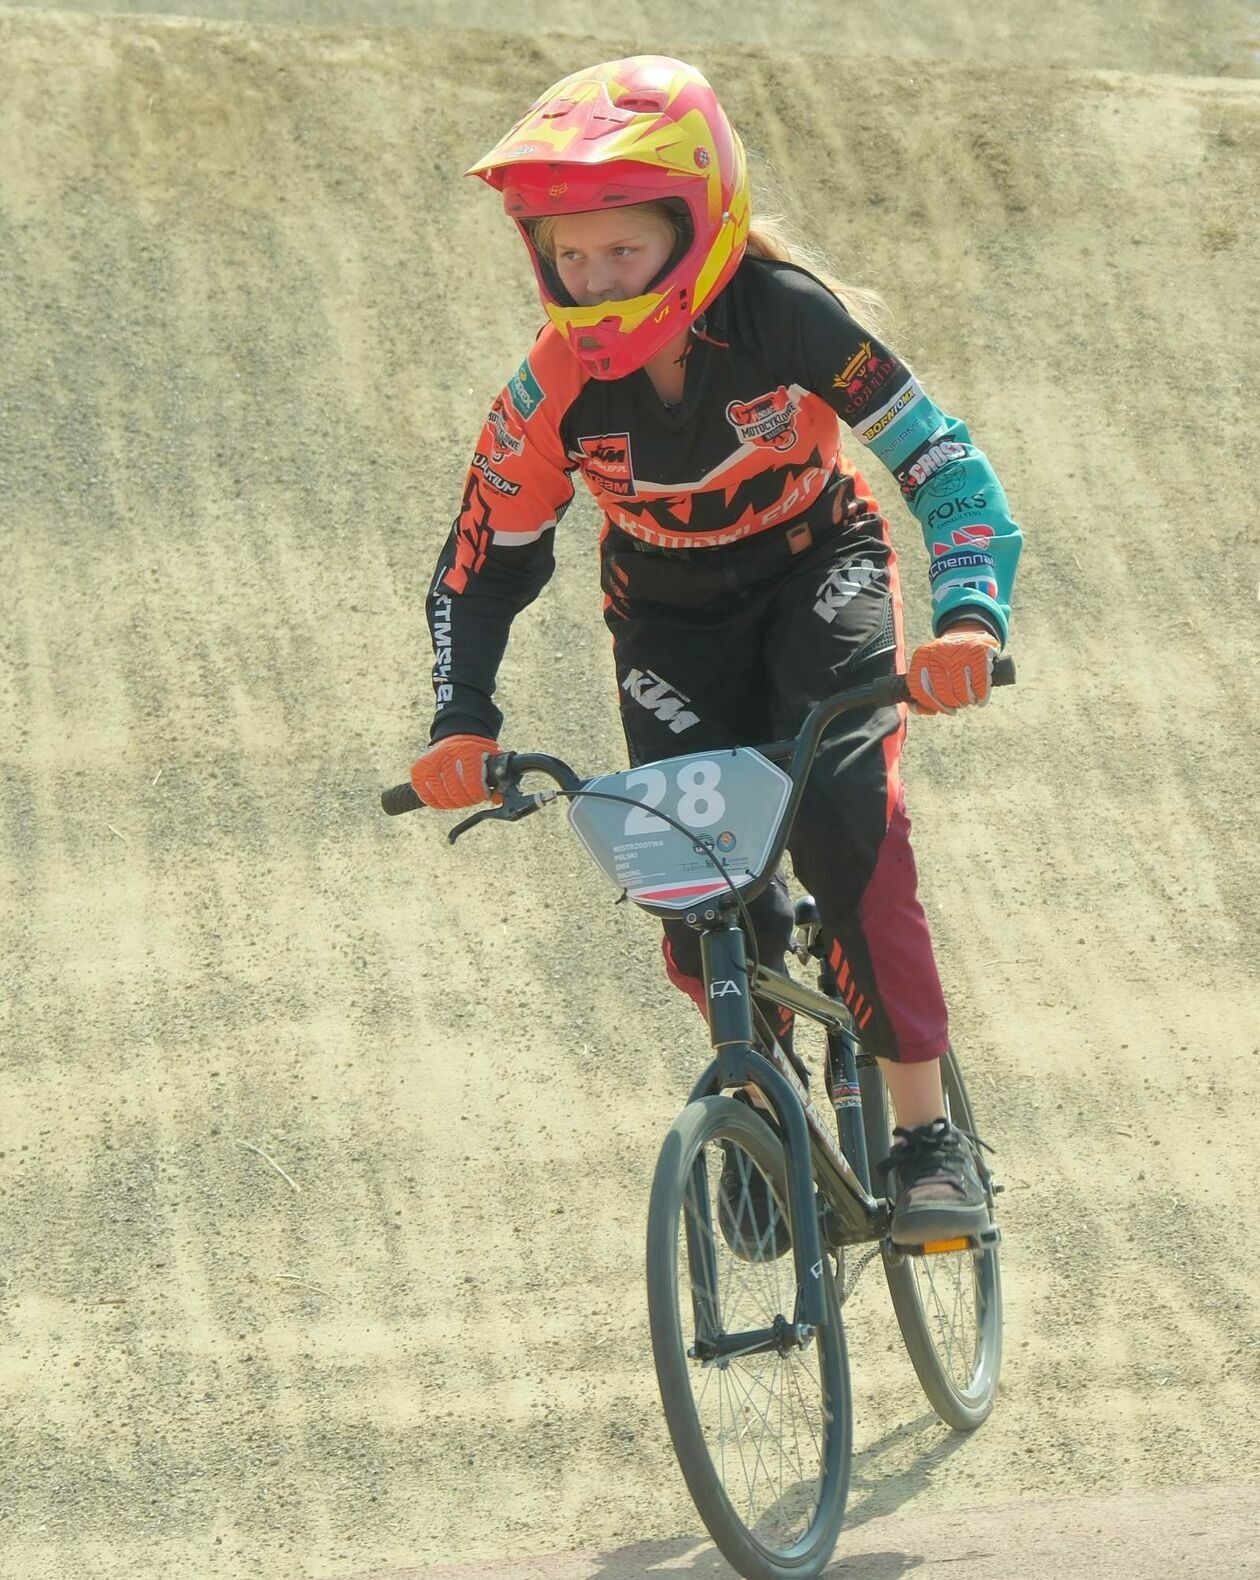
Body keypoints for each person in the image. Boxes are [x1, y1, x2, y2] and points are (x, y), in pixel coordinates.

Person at [409, 56, 1022, 1248]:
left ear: (701, 225)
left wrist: (967, 619)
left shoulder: (788, 315)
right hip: (667, 617)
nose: (590, 280)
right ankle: (758, 1104)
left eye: (620, 251)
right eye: (566, 256)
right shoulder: (547, 393)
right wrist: (460, 720)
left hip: (818, 565)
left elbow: (943, 466)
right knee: (696, 873)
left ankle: (922, 1132)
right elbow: (478, 566)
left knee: (850, 817)